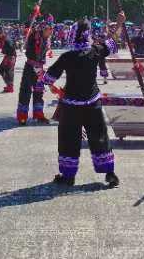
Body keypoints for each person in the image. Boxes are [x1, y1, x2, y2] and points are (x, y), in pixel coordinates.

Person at [38, 14, 124, 187]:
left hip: (71, 105)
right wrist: (120, 22)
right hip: (93, 103)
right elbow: (113, 42)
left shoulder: (67, 57)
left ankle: (68, 176)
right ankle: (110, 173)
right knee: (99, 137)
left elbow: (47, 78)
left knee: (69, 139)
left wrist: (49, 83)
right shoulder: (95, 51)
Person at [16, 20, 53, 125]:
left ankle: (38, 114)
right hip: (30, 67)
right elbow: (31, 53)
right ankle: (22, 116)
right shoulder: (34, 36)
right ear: (44, 29)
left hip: (39, 67)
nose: (51, 32)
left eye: (51, 29)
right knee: (25, 91)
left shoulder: (46, 39)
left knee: (39, 91)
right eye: (49, 29)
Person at [0, 28, 17, 93]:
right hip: (8, 56)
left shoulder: (6, 39)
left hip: (10, 57)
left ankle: (10, 87)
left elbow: (12, 47)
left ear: (0, 33)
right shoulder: (4, 38)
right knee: (1, 70)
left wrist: (8, 56)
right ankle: (9, 85)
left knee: (8, 71)